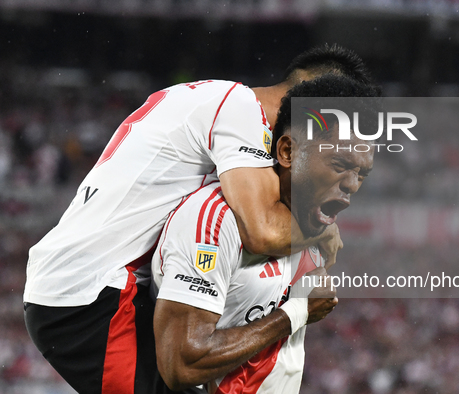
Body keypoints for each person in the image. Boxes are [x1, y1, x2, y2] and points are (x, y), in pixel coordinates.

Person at [23, 45, 376, 394]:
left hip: (85, 286)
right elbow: (263, 231)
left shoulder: (211, 100)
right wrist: (321, 230)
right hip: (91, 296)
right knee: (185, 364)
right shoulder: (241, 109)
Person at [151, 75, 378, 393]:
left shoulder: (313, 229)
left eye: (361, 173)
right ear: (287, 152)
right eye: (340, 164)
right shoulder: (215, 221)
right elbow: (182, 363)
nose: (352, 185)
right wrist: (296, 312)